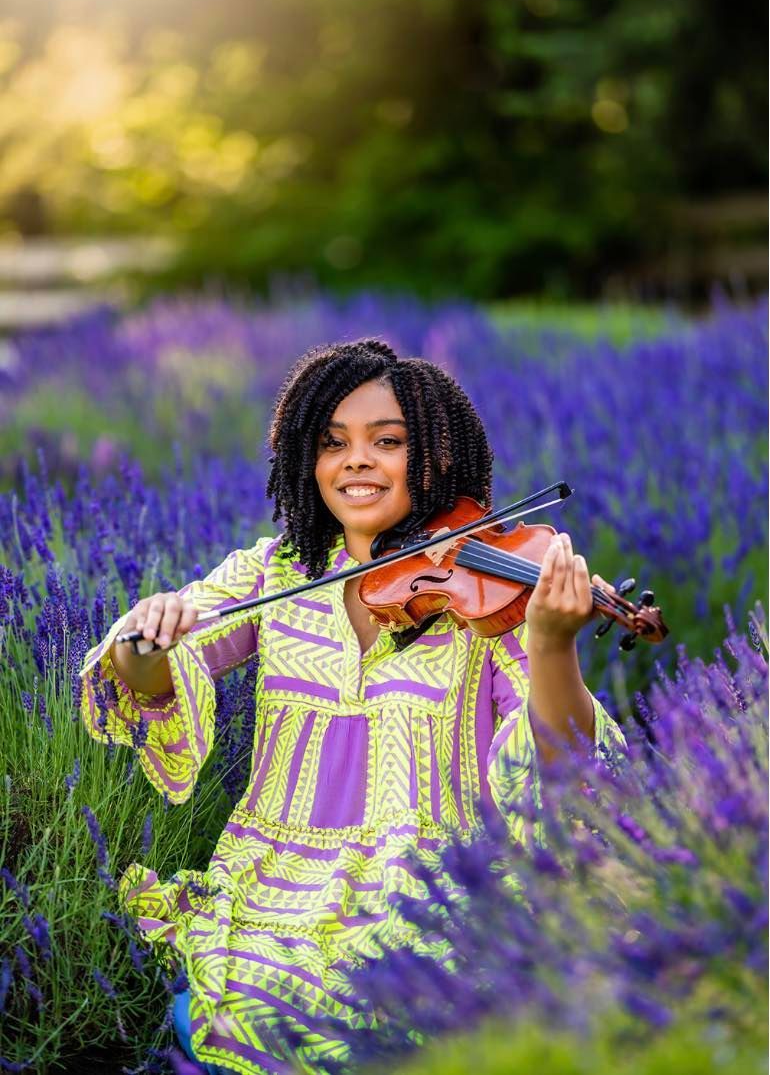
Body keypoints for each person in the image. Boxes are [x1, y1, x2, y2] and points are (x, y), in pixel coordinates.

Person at [79, 339, 627, 1075]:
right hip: (279, 869)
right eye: (333, 443)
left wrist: (554, 644)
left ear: (438, 457)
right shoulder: (274, 573)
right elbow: (155, 672)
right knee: (258, 1000)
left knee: (397, 995)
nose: (357, 460)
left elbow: (562, 763)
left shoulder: (487, 602)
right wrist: (146, 641)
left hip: (435, 872)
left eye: (388, 442)